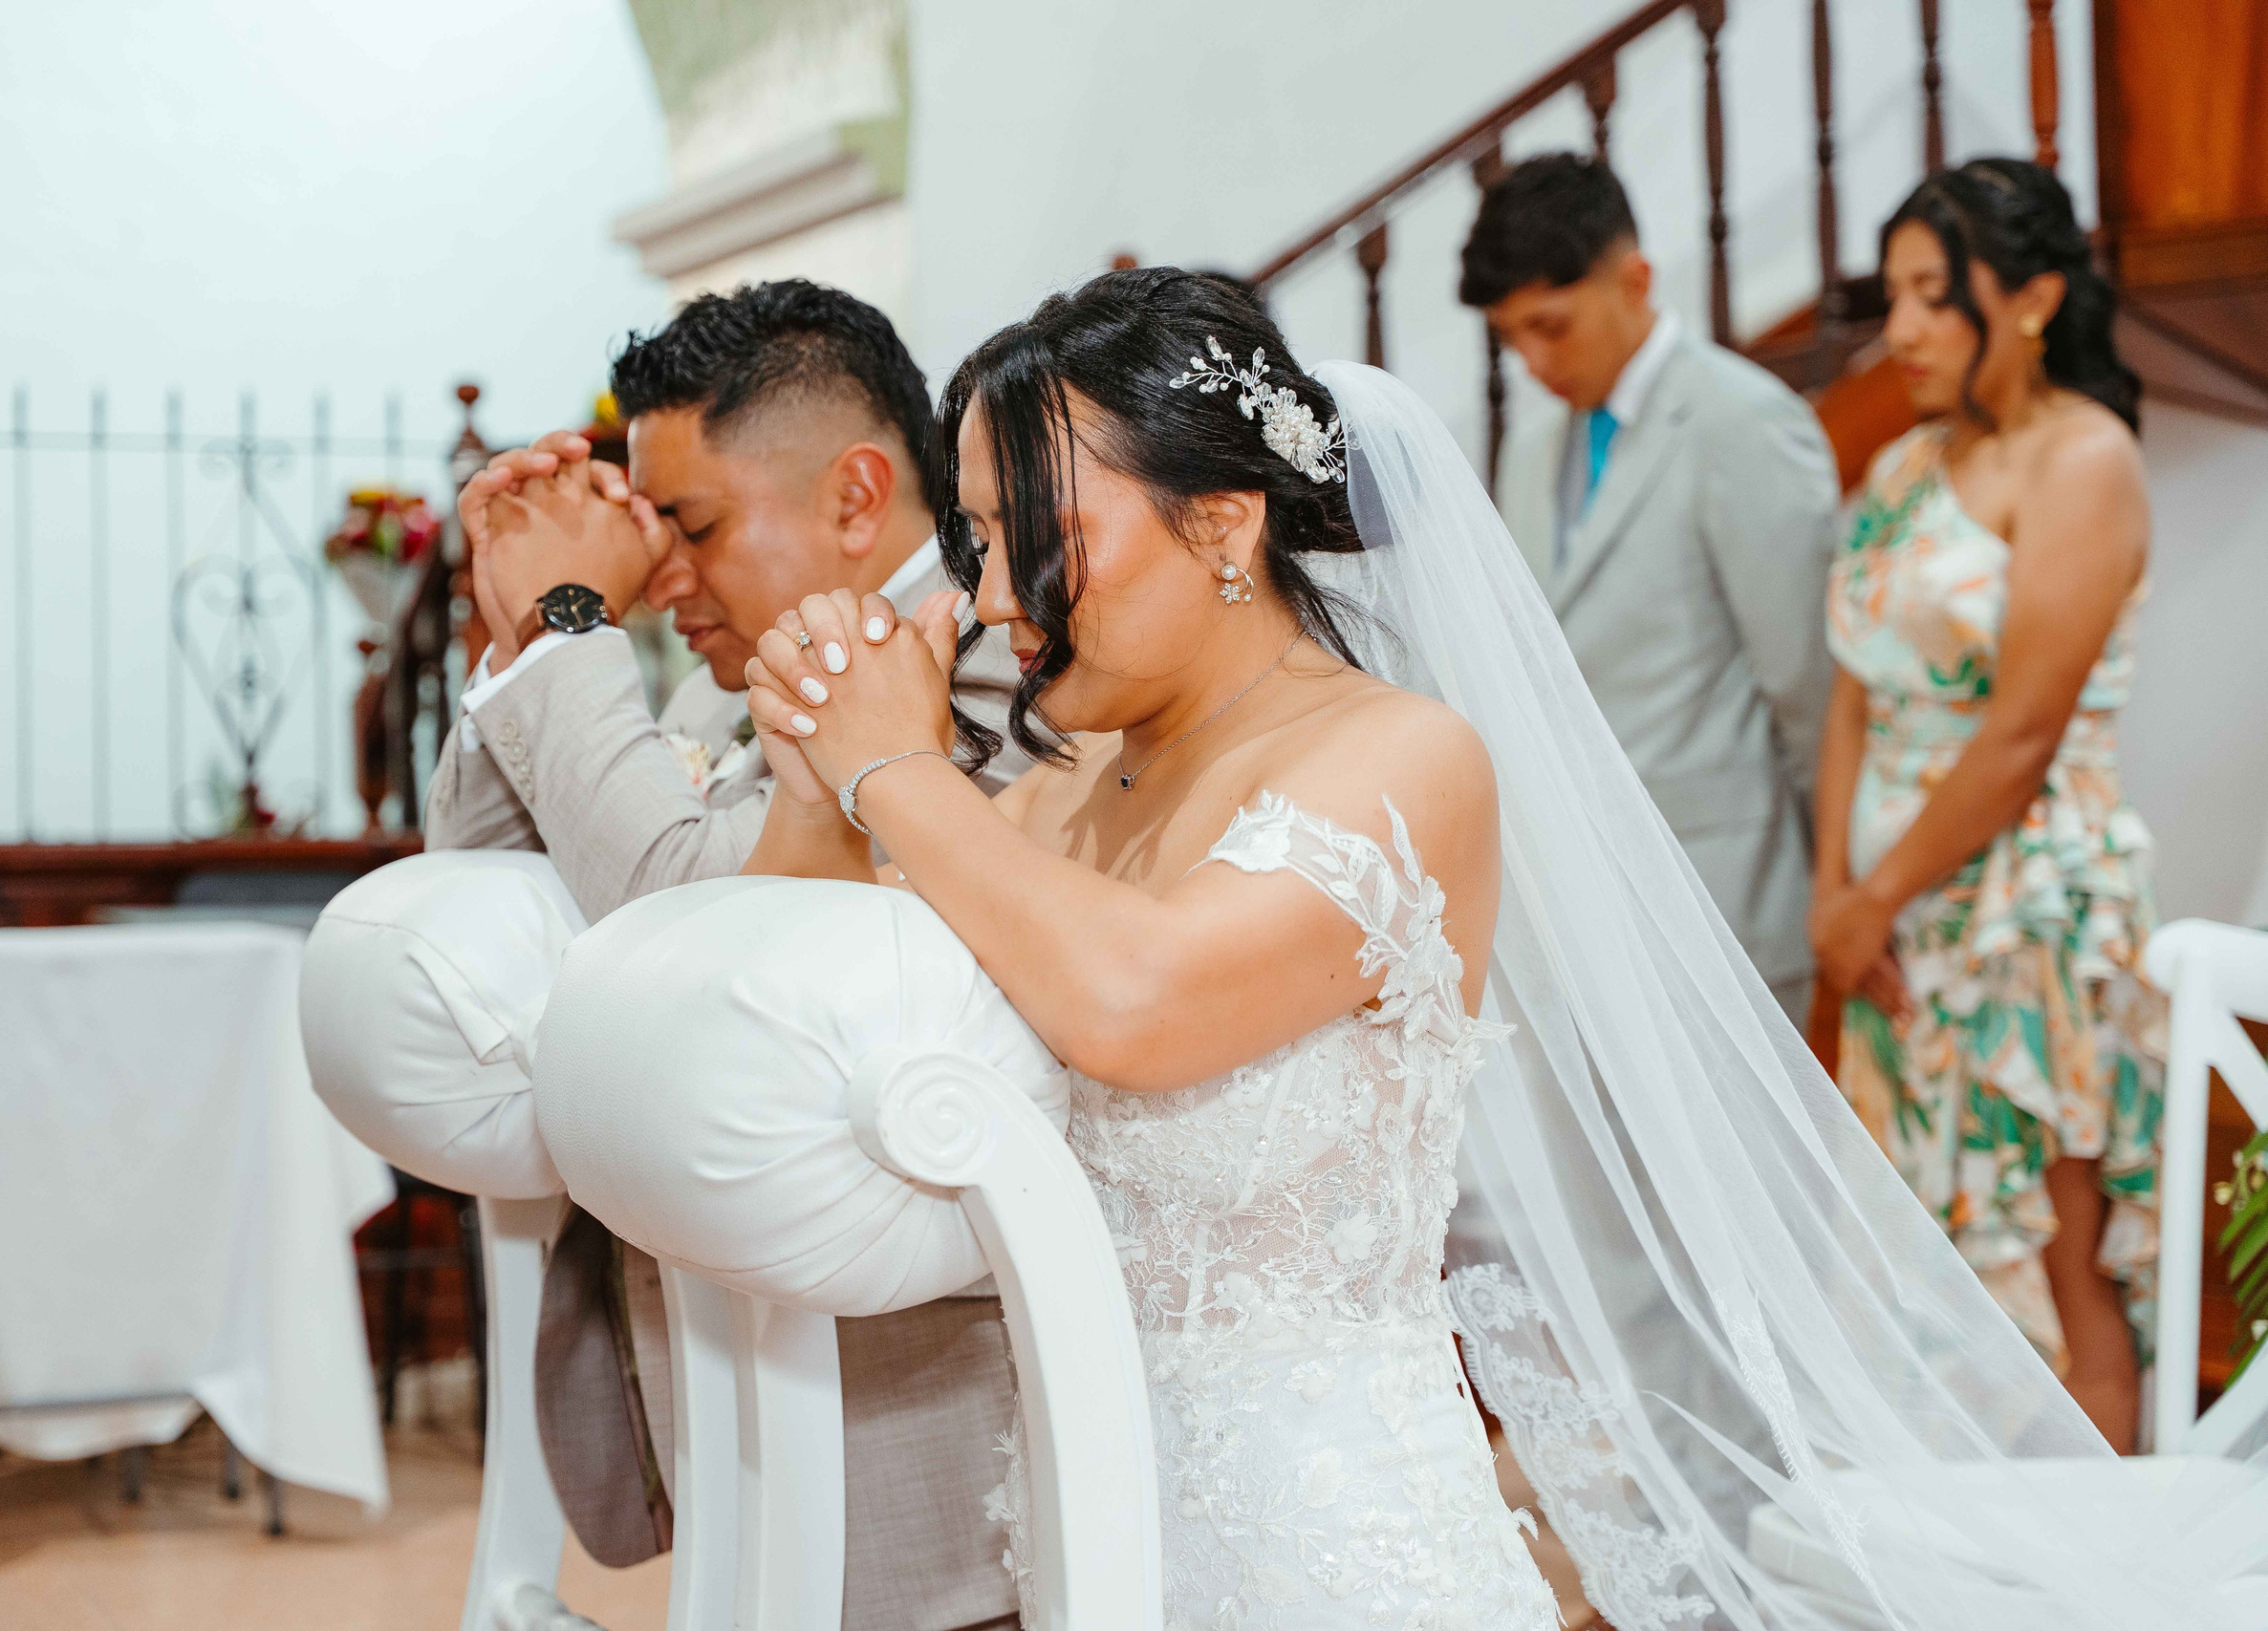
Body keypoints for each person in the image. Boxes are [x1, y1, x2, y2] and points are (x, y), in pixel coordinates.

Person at [714, 268, 2243, 1628]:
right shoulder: (1051, 788)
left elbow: (1135, 998)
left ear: (1226, 520)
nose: (989, 599)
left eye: (1036, 538)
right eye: (978, 542)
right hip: (1084, 1520)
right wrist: (813, 770)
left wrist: (895, 775)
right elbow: (804, 1003)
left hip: (1326, 1544)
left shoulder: (1402, 756)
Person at [313, 280, 1032, 1630]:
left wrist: (578, 622)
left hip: (908, 1459)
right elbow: (484, 873)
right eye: (649, 534)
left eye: (691, 525)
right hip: (722, 1378)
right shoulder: (722, 678)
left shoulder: (988, 659)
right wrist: (521, 626)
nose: (666, 578)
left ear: (856, 495)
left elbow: (689, 920)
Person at [1814, 158, 2161, 1451]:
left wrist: (1877, 895)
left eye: (1930, 295)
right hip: (1884, 919)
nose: (1897, 329)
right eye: (1891, 294)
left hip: (2018, 912)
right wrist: (1832, 901)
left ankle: (2103, 1573)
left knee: (2052, 1256)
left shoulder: (2086, 458)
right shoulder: (1903, 463)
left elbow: (2020, 731)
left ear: (2029, 300)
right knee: (1915, 1262)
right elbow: (1854, 686)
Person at [1459, 153, 1840, 1021]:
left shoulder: (1742, 419)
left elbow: (1806, 682)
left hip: (1727, 892)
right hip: (1584, 908)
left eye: (1550, 326)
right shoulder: (1529, 454)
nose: (1531, 359)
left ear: (1634, 279)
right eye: (1511, 335)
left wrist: (1839, 884)